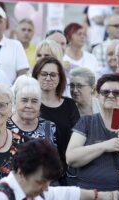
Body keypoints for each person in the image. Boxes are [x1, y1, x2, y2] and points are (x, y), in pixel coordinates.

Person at [0, 139, 109, 200]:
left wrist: (109, 196)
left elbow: (71, 193)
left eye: (49, 182)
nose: (46, 188)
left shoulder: (36, 192)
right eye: (41, 181)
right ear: (22, 173)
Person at [32, 56, 80, 184]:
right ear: (36, 76)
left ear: (60, 78)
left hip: (69, 170)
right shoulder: (30, 106)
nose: (48, 78)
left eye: (53, 75)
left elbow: (79, 135)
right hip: (40, 173)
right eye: (44, 74)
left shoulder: (70, 105)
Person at [0, 6, 29, 85]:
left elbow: (22, 73)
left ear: (6, 23)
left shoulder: (16, 45)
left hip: (9, 95)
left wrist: (12, 91)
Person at [7, 75, 57, 145]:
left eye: (34, 101)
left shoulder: (49, 127)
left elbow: (56, 155)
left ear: (40, 103)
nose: (29, 105)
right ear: (15, 101)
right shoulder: (3, 126)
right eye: (24, 100)